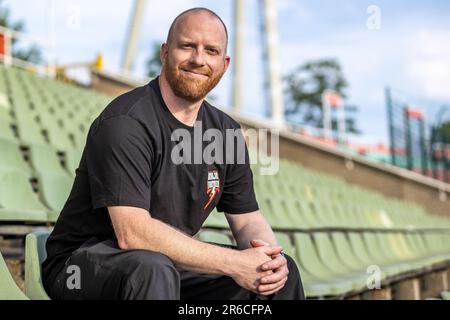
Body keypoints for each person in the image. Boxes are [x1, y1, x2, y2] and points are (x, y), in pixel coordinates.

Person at [42, 7, 305, 300]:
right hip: (82, 265)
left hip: (167, 266)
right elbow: (133, 234)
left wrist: (270, 259)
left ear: (224, 63)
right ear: (165, 52)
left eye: (211, 50)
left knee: (277, 276)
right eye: (187, 46)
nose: (198, 59)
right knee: (152, 269)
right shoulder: (126, 122)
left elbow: (247, 220)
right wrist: (233, 263)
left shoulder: (225, 132)